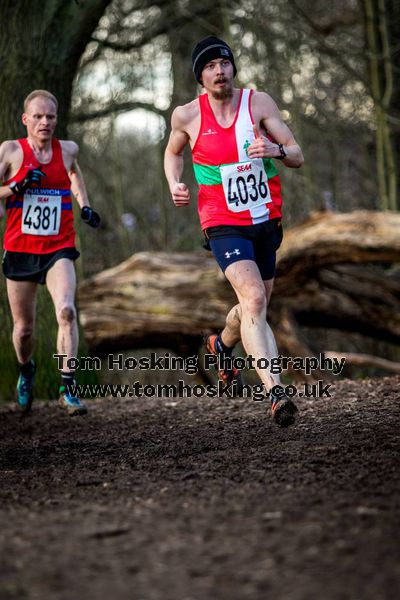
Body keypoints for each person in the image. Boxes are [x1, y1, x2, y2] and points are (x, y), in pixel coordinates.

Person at [164, 36, 304, 427]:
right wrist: (174, 182)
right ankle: (276, 393)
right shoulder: (187, 116)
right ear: (200, 76)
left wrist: (275, 150)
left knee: (252, 307)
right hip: (221, 220)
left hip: (264, 219)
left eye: (224, 62)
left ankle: (221, 347)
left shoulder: (258, 103)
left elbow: (297, 154)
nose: (219, 70)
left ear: (232, 68)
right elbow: (173, 151)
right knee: (255, 298)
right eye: (209, 66)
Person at [0, 89, 100, 416]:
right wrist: (16, 186)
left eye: (51, 117)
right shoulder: (11, 151)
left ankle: (67, 388)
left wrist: (84, 206)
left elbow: (74, 173)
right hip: (20, 248)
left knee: (67, 311)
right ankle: (25, 369)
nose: (45, 122)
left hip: (59, 246)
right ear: (25, 119)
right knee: (24, 330)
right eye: (39, 116)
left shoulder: (68, 150)